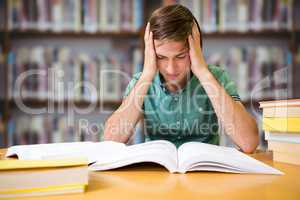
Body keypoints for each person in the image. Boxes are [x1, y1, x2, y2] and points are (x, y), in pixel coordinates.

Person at [104, 4, 258, 153]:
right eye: (161, 57)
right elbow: (111, 141)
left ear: (196, 50)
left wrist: (203, 72)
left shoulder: (216, 77)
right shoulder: (142, 81)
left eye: (180, 56)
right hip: (155, 174)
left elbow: (248, 142)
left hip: (205, 173)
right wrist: (147, 74)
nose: (171, 68)